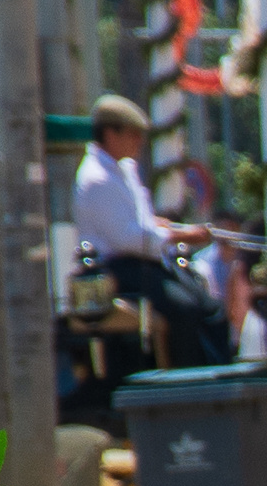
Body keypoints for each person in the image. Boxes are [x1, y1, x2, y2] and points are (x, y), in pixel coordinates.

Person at [72, 95, 235, 365]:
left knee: (210, 307)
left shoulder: (123, 170)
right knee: (185, 308)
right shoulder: (96, 179)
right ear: (111, 134)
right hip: (120, 268)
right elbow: (129, 239)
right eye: (133, 134)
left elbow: (141, 222)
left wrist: (168, 226)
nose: (139, 142)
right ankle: (184, 381)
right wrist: (182, 235)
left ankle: (218, 370)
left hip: (144, 263)